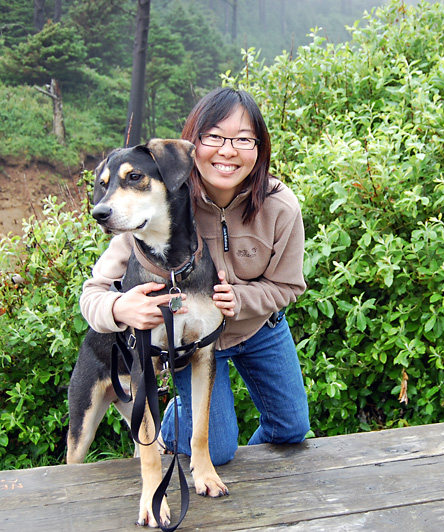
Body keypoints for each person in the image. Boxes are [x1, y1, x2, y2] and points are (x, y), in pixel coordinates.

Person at [79, 87, 310, 466]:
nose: (228, 150)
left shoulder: (279, 206)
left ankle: (188, 423)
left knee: (291, 430)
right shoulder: (161, 204)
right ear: (193, 144)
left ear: (260, 147)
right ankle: (173, 426)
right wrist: (121, 306)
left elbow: (289, 285)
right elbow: (93, 294)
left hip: (258, 330)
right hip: (192, 344)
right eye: (214, 137)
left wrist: (242, 300)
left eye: (243, 139)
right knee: (217, 453)